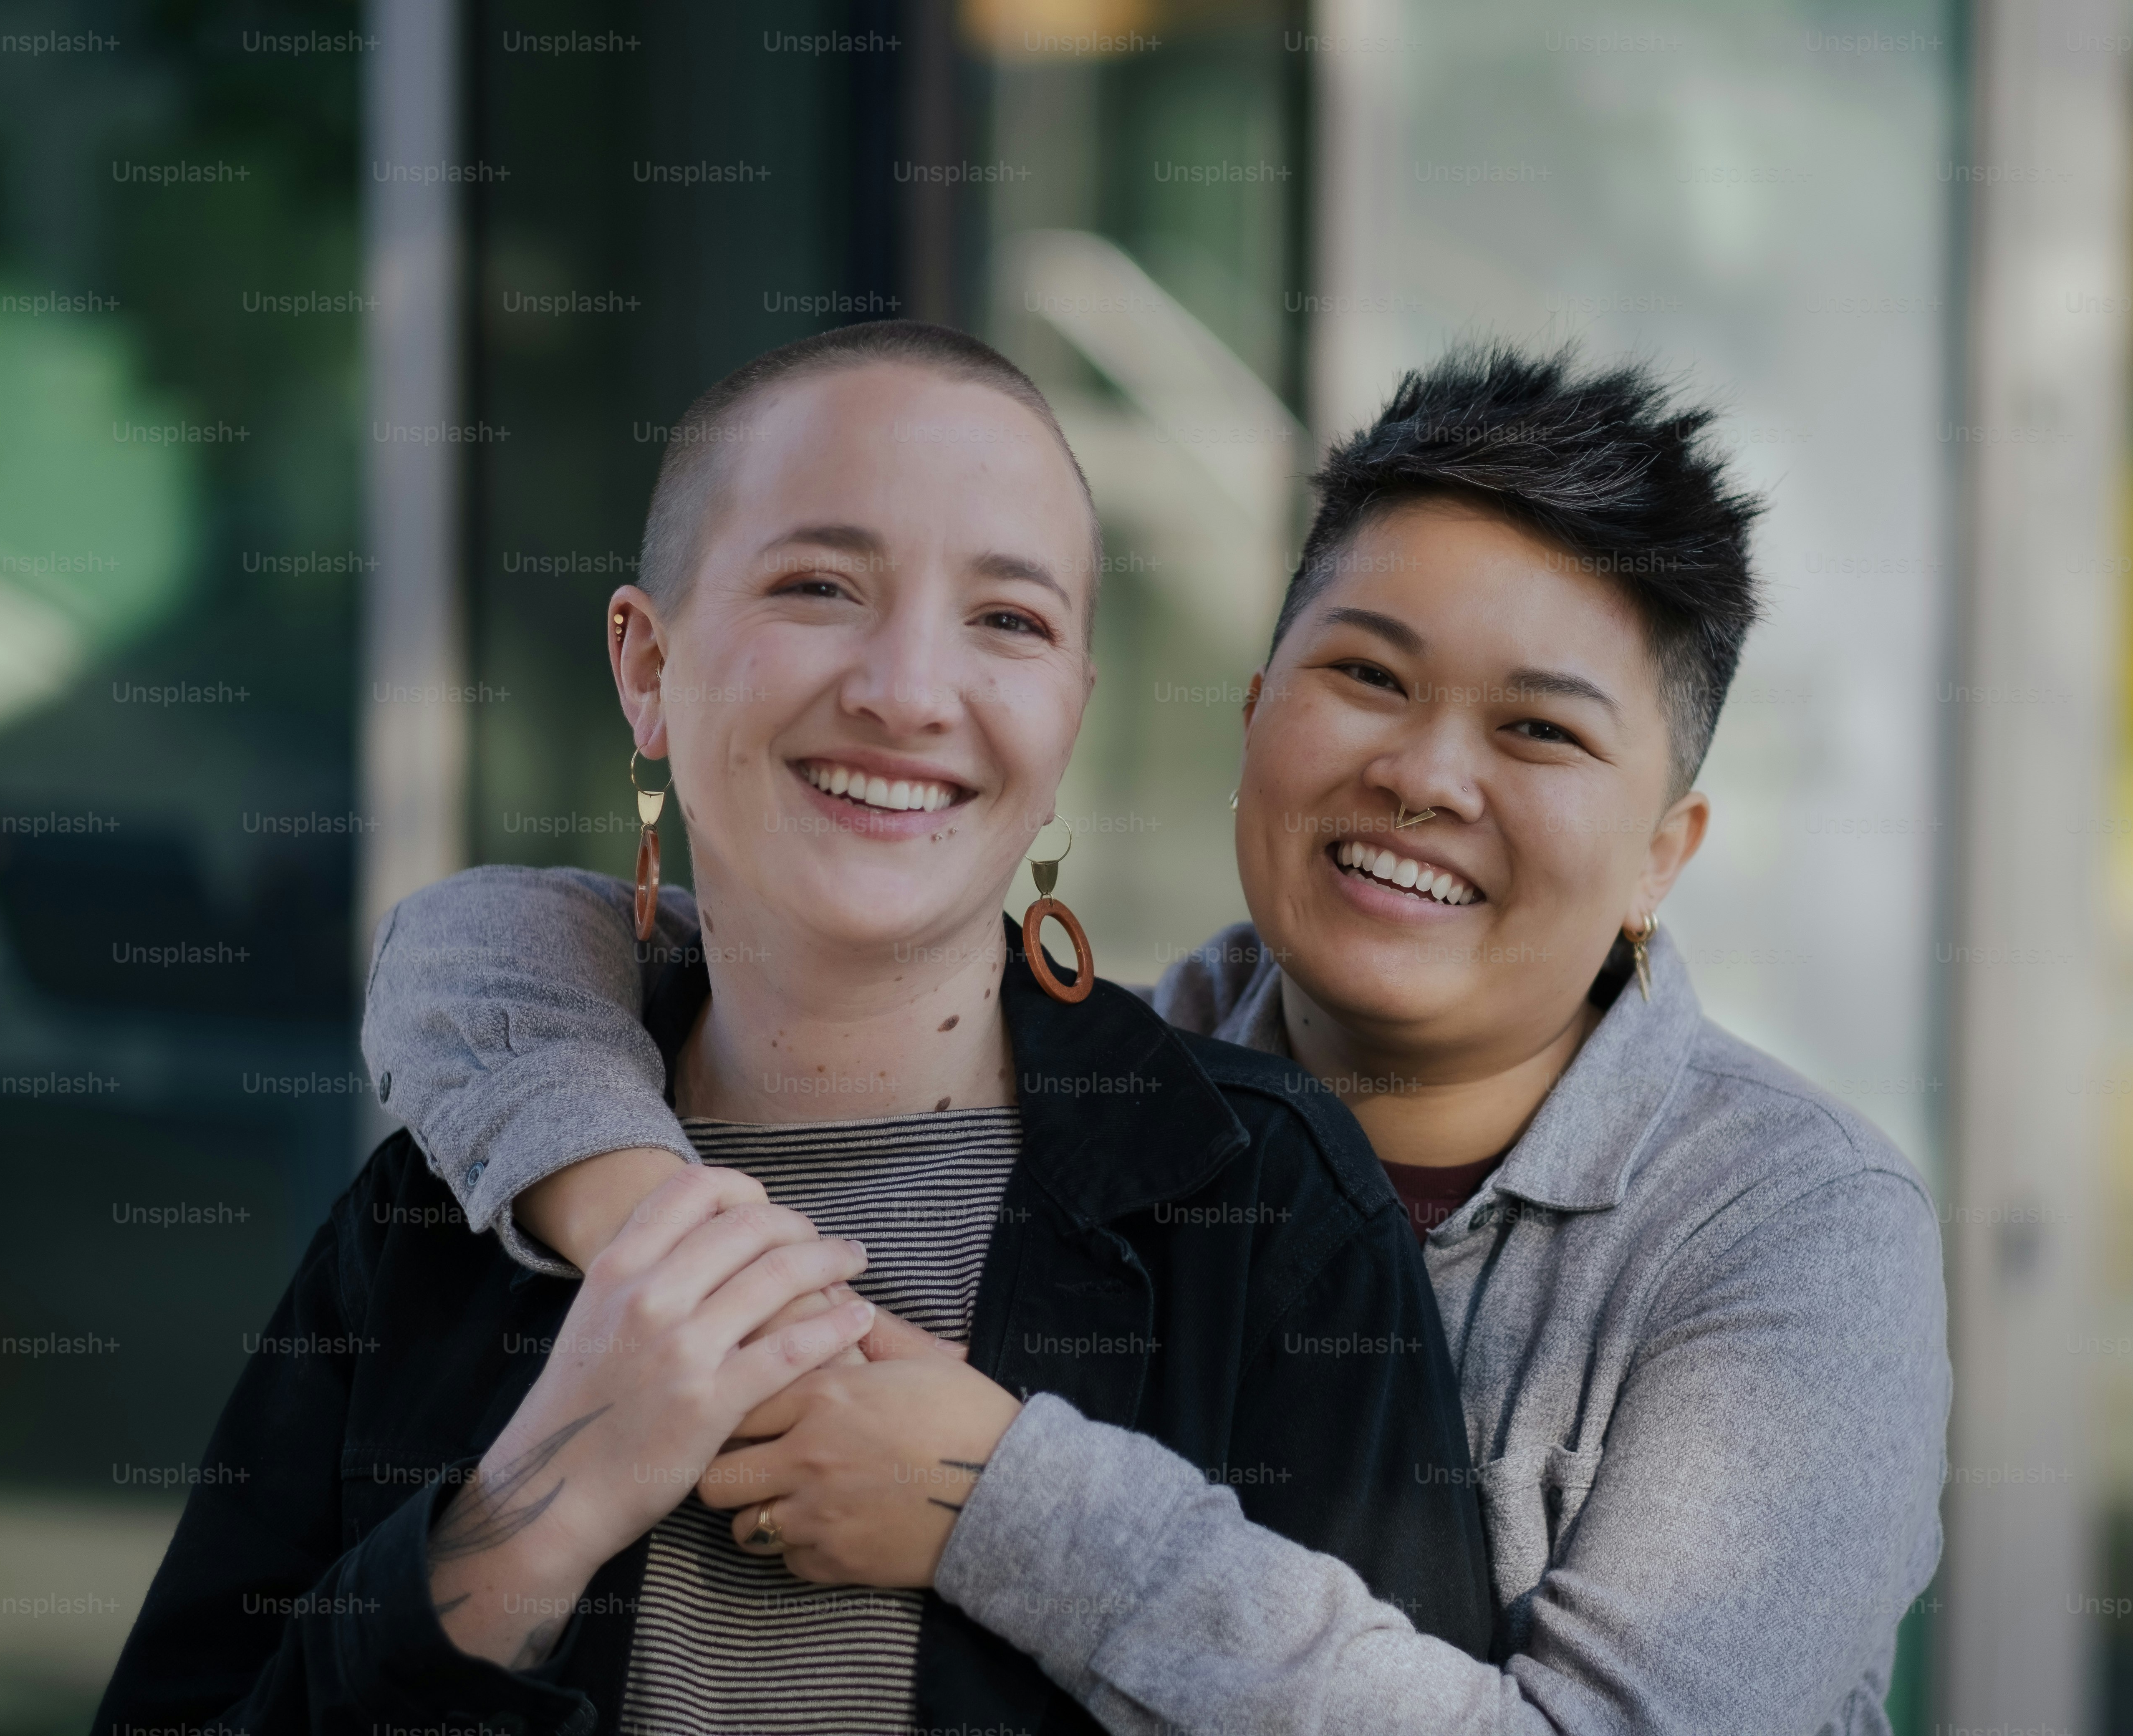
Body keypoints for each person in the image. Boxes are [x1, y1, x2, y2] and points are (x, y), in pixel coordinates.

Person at [361, 341, 1951, 1733]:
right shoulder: (1133, 1085)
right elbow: (498, 952)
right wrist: (658, 1239)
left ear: (1664, 855)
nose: (1424, 778)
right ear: (1254, 713)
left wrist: (998, 1507)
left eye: (1537, 730)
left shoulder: (1793, 1232)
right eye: (1368, 676)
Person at [91, 321, 1492, 1736]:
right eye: (820, 587)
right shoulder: (433, 1219)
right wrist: (529, 1516)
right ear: (648, 666)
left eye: (1009, 621)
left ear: (1072, 708)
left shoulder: (1264, 1209)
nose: (907, 693)